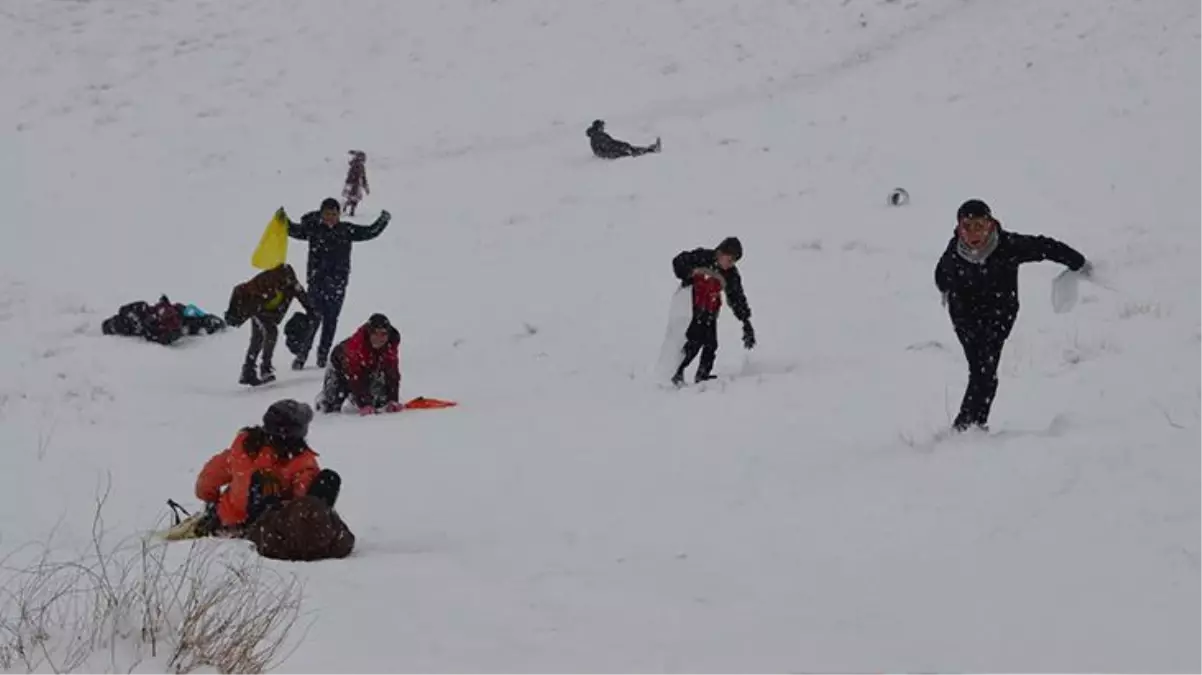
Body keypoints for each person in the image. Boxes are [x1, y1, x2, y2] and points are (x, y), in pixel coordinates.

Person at [935, 198, 1092, 432]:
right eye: (967, 227)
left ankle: (968, 426)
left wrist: (1077, 261)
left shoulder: (1007, 245)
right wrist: (950, 287)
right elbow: (940, 277)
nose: (973, 233)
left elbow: (1044, 247)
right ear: (959, 228)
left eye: (979, 225)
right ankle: (970, 426)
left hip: (1000, 315)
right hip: (965, 318)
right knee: (981, 370)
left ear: (990, 224)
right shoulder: (954, 253)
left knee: (984, 371)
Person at [193, 399, 342, 535]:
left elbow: (209, 477)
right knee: (328, 480)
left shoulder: (245, 445)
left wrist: (211, 500)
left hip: (228, 518)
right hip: (268, 526)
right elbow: (303, 500)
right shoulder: (301, 461)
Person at [281, 198, 392, 370]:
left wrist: (382, 221)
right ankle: (301, 357)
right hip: (316, 283)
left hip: (337, 285)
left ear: (339, 215)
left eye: (334, 214)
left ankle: (322, 357)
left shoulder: (346, 230)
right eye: (327, 214)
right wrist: (282, 219)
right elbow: (292, 230)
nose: (331, 217)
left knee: (330, 322)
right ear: (321, 214)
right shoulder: (313, 229)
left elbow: (369, 232)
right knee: (313, 319)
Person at [670, 237, 755, 385]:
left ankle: (702, 376)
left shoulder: (730, 274)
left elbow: (737, 297)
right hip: (691, 311)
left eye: (734, 261)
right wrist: (688, 273)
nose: (731, 264)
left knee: (711, 344)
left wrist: (745, 321)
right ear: (720, 252)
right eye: (730, 259)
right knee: (693, 343)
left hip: (710, 312)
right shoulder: (702, 257)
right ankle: (675, 372)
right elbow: (678, 261)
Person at [224, 263, 315, 386]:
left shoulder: (291, 284)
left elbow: (302, 295)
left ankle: (248, 370)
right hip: (258, 311)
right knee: (270, 333)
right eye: (284, 280)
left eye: (289, 279)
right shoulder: (264, 281)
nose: (286, 282)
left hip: (270, 314)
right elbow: (246, 292)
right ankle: (265, 368)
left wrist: (311, 311)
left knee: (257, 339)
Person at [315, 313, 403, 415]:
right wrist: (365, 404)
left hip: (369, 367)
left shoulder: (390, 344)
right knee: (332, 405)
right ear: (369, 333)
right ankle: (325, 400)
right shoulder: (357, 346)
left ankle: (357, 398)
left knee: (380, 402)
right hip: (341, 367)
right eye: (375, 333)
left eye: (383, 334)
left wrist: (393, 400)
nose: (379, 338)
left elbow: (392, 373)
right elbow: (355, 377)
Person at [586, 119, 661, 159]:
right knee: (630, 152)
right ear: (598, 127)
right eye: (602, 126)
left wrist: (623, 144)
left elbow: (610, 143)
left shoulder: (595, 136)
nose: (603, 128)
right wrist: (622, 146)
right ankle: (651, 150)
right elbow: (609, 145)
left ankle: (650, 149)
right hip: (609, 154)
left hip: (607, 154)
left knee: (630, 148)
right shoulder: (598, 136)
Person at [342, 150, 370, 216]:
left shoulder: (354, 164)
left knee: (352, 198)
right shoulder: (358, 165)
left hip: (351, 184)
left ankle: (346, 208)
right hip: (354, 184)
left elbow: (362, 177)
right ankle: (350, 210)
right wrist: (365, 186)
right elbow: (362, 177)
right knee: (354, 198)